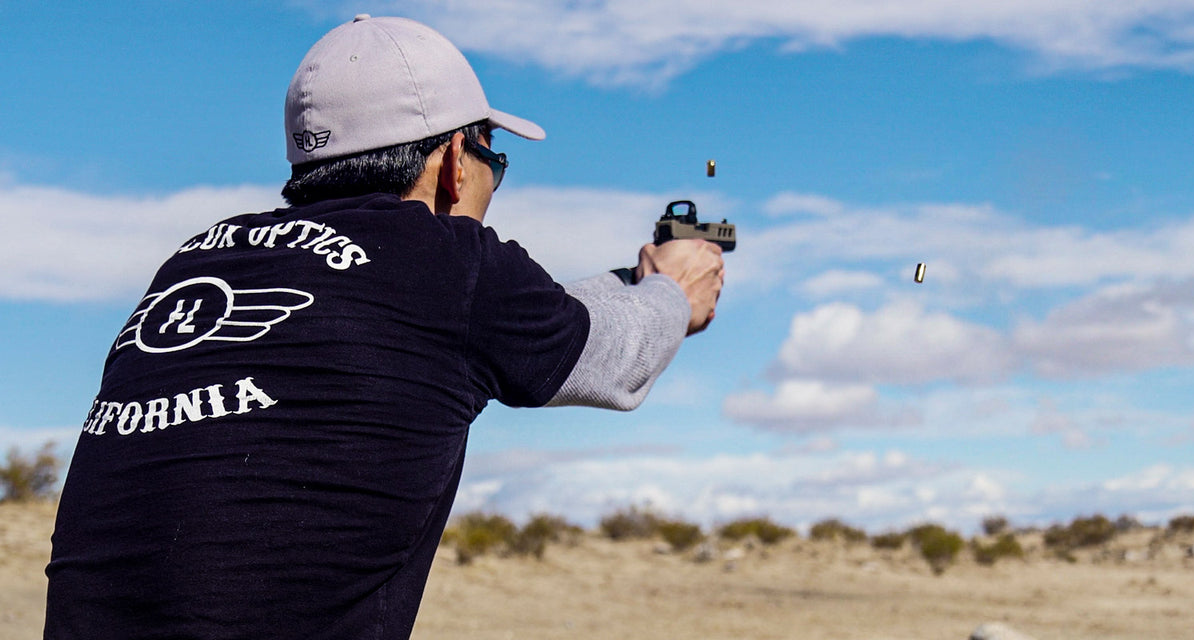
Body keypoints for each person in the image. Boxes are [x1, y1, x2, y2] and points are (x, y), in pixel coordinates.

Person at [44, 15, 724, 639]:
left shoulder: (192, 264)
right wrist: (673, 290)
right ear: (455, 160)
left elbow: (483, 322)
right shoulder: (450, 265)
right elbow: (618, 358)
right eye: (497, 159)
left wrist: (634, 283)